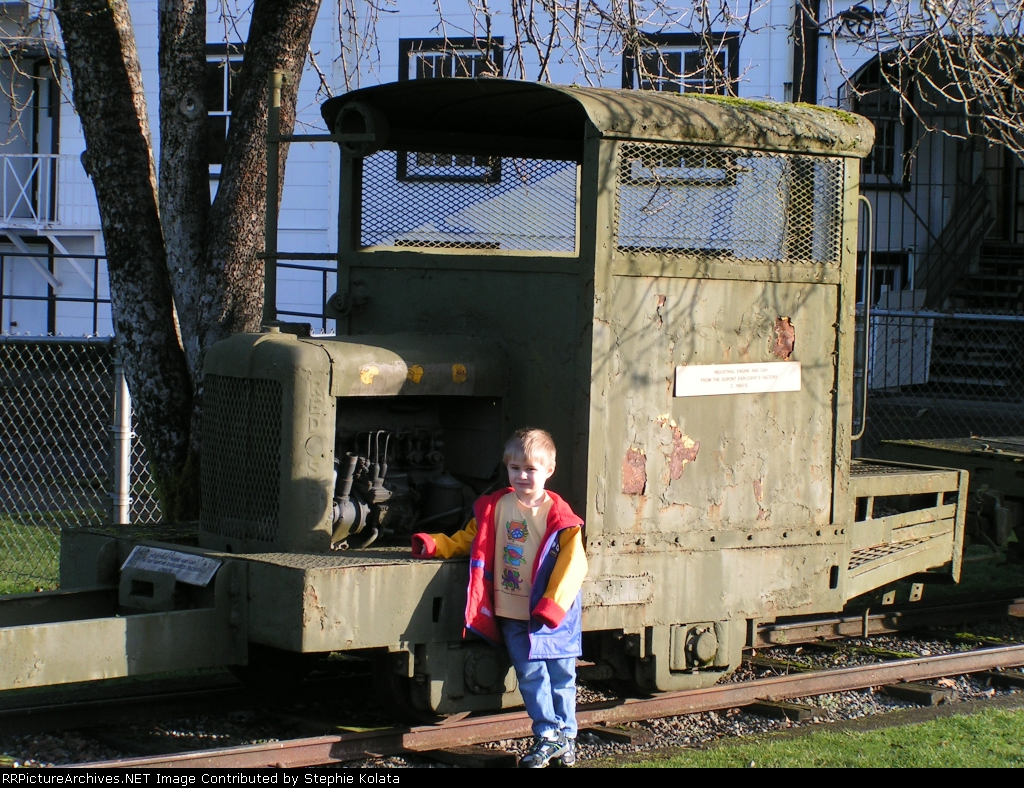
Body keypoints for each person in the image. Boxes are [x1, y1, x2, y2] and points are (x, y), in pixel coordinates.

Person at [411, 427, 588, 768]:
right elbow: (469, 540)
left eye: (531, 469)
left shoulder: (560, 518)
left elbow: (574, 564)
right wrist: (436, 545)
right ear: (506, 469)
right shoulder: (496, 507)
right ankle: (548, 735)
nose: (522, 476)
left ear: (549, 471)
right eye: (515, 468)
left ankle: (567, 737)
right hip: (513, 614)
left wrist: (553, 605)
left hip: (553, 616)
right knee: (532, 676)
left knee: (562, 676)